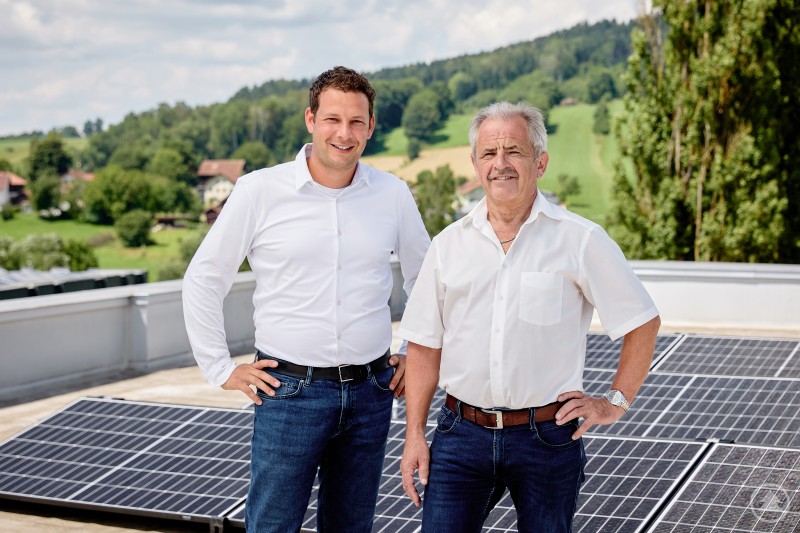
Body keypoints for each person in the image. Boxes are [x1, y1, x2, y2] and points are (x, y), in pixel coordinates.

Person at [182, 66, 430, 533]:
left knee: (351, 527)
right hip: (288, 393)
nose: (345, 133)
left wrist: (411, 351)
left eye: (357, 121)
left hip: (371, 392)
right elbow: (203, 278)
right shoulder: (260, 191)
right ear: (310, 119)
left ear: (371, 127)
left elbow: (427, 279)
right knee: (273, 526)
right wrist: (219, 368)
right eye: (333, 119)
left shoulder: (392, 194)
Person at [397, 101, 661, 533]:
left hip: (546, 439)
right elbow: (425, 345)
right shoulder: (448, 246)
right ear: (475, 164)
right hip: (460, 437)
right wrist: (414, 434)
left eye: (514, 152)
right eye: (489, 154)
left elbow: (642, 322)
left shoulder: (580, 240)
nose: (500, 164)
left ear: (540, 162)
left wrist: (615, 402)